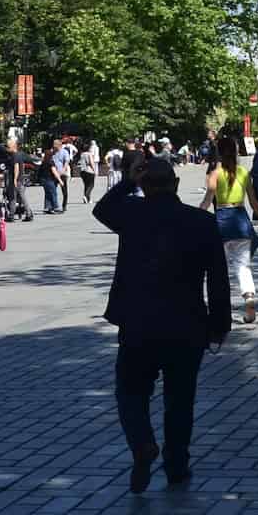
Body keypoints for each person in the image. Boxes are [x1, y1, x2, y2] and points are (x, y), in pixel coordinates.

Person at [94, 156, 231, 492]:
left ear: (144, 186)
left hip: (138, 322)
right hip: (187, 324)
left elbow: (102, 208)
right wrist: (220, 324)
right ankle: (177, 466)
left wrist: (129, 180)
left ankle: (142, 442)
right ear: (177, 184)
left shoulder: (132, 214)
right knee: (180, 399)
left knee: (130, 391)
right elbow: (218, 278)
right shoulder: (201, 222)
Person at [200, 133, 258, 324]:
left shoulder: (215, 174)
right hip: (241, 219)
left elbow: (207, 201)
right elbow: (252, 200)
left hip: (222, 221)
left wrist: (196, 218)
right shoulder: (243, 172)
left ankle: (220, 307)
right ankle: (249, 296)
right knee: (243, 266)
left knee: (219, 268)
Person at [79, 138, 100, 203]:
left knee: (86, 185)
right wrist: (94, 170)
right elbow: (91, 162)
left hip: (82, 171)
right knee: (91, 185)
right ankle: (86, 195)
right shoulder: (89, 154)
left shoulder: (82, 154)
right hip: (89, 171)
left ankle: (88, 199)